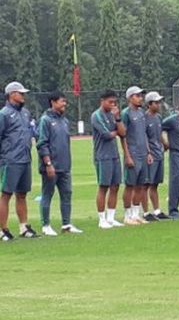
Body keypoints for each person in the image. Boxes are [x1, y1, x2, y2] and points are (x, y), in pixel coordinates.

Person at [37, 91, 82, 236]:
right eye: (62, 101)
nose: (65, 104)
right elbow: (42, 144)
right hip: (51, 167)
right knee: (47, 194)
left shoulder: (65, 121)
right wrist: (48, 164)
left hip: (64, 166)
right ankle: (45, 225)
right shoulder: (45, 120)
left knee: (67, 194)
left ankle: (66, 224)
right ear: (53, 102)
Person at [0, 82, 38, 241]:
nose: (23, 96)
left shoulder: (26, 113)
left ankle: (24, 227)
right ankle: (3, 229)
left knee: (22, 194)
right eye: (20, 93)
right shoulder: (3, 114)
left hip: (25, 159)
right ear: (11, 94)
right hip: (10, 160)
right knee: (6, 194)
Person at [91, 89, 126, 229]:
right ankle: (101, 218)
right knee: (103, 186)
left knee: (115, 186)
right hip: (102, 155)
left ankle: (111, 218)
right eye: (110, 102)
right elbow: (106, 135)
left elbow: (122, 133)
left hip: (114, 155)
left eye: (114, 102)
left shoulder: (113, 115)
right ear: (102, 101)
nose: (113, 105)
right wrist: (116, 132)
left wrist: (117, 119)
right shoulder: (96, 116)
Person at [120, 86, 150, 225]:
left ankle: (136, 214)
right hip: (132, 153)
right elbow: (123, 135)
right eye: (138, 96)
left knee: (140, 185)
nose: (141, 98)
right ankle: (127, 215)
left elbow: (144, 133)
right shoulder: (126, 113)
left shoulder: (142, 113)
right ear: (131, 97)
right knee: (130, 185)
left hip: (143, 153)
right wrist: (127, 155)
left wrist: (148, 152)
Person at [143, 91, 169, 221]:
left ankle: (157, 210)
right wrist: (148, 152)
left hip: (159, 153)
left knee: (155, 184)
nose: (159, 104)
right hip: (151, 155)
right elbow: (144, 137)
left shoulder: (158, 117)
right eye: (156, 102)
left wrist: (165, 144)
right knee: (146, 183)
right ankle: (146, 212)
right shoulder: (144, 118)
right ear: (149, 104)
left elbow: (159, 134)